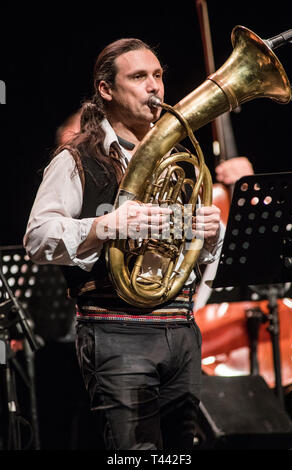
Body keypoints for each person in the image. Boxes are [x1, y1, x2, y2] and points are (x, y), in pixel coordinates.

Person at [23, 38, 222, 450]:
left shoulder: (179, 154)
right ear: (106, 89)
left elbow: (188, 256)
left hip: (181, 329)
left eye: (158, 76)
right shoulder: (76, 159)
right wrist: (105, 225)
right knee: (136, 453)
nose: (154, 87)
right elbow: (38, 237)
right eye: (138, 77)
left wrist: (206, 235)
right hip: (116, 332)